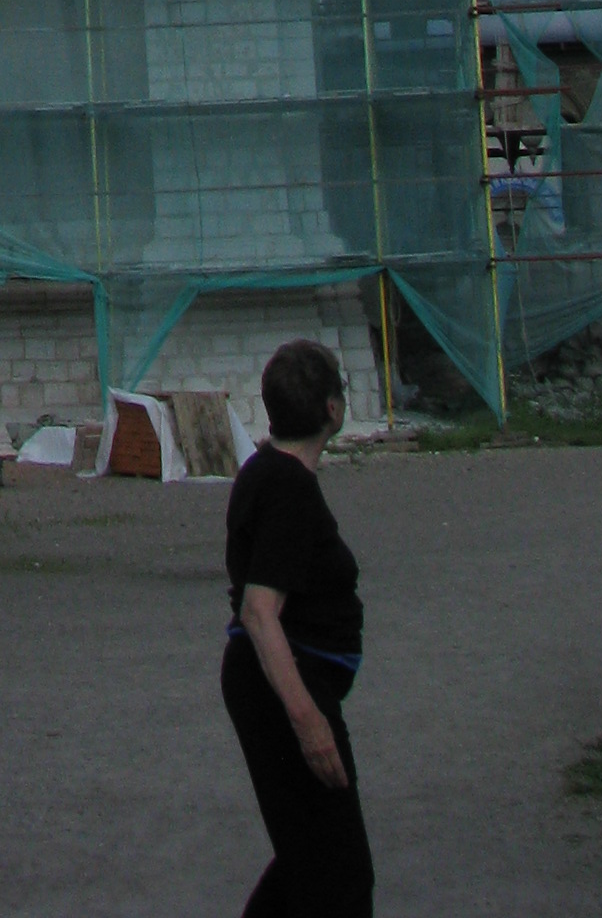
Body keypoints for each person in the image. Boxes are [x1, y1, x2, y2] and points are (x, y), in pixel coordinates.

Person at [220, 337, 373, 915]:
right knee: (342, 876)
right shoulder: (287, 486)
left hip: (277, 685)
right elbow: (261, 611)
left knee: (308, 861)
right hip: (284, 690)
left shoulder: (266, 472)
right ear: (333, 409)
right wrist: (307, 721)